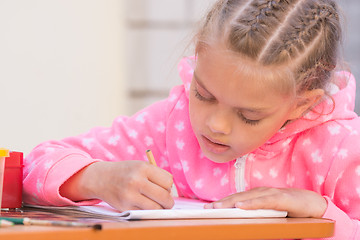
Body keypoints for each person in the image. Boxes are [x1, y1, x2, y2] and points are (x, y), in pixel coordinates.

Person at [24, 0, 359, 239]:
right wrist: (92, 178)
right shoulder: (169, 125)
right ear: (198, 56)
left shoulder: (341, 150)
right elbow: (32, 166)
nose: (217, 125)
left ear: (303, 104)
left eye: (249, 115)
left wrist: (322, 212)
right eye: (203, 94)